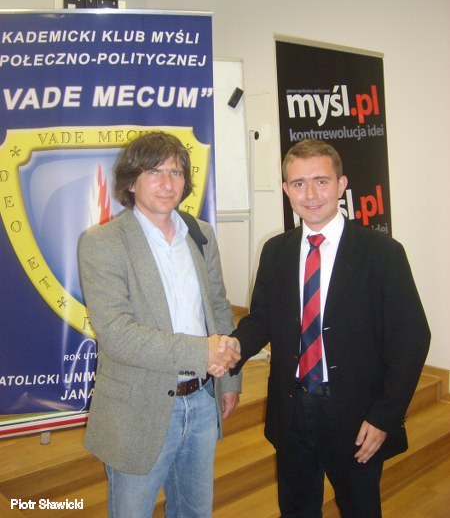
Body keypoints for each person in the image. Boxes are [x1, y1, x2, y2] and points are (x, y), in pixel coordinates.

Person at [226, 139, 430, 517]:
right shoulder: (276, 251)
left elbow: (412, 340)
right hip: (292, 410)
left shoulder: (382, 253)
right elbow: (262, 319)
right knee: (296, 509)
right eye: (298, 183)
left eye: (321, 181)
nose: (310, 194)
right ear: (286, 189)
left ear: (341, 185)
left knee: (359, 508)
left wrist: (385, 416)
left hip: (356, 416)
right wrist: (232, 349)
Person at [78, 131, 241, 518]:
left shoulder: (200, 233)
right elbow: (118, 335)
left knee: (194, 512)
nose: (168, 183)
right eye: (154, 172)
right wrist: (202, 352)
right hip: (138, 406)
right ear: (131, 182)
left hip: (202, 399)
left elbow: (218, 308)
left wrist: (230, 381)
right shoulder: (103, 242)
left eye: (176, 172)